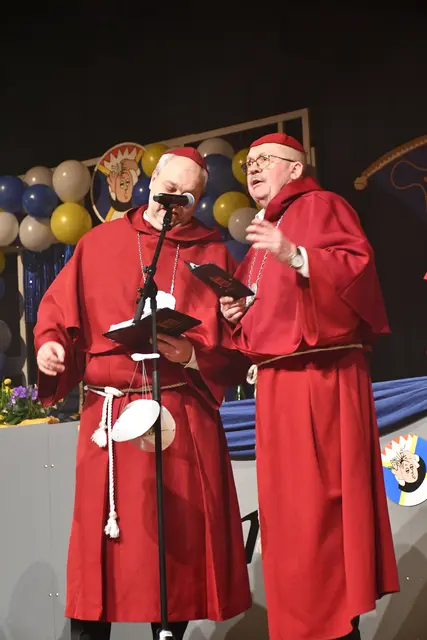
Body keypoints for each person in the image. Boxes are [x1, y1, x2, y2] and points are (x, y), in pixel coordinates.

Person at [34, 146, 252, 640]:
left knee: (171, 548)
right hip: (110, 414)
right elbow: (58, 311)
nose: (173, 204)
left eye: (186, 198)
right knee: (102, 542)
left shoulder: (212, 253)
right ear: (150, 184)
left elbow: (238, 345)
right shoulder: (100, 242)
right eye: (167, 191)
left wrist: (192, 353)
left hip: (178, 411)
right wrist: (50, 346)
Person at [220, 133, 400, 640]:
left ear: (295, 169)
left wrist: (298, 255)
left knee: (321, 510)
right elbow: (270, 310)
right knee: (288, 518)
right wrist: (238, 311)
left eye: (266, 161)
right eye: (249, 163)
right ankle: (300, 626)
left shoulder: (322, 205)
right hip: (277, 386)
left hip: (319, 378)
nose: (254, 169)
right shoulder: (266, 227)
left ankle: (333, 627)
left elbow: (356, 270)